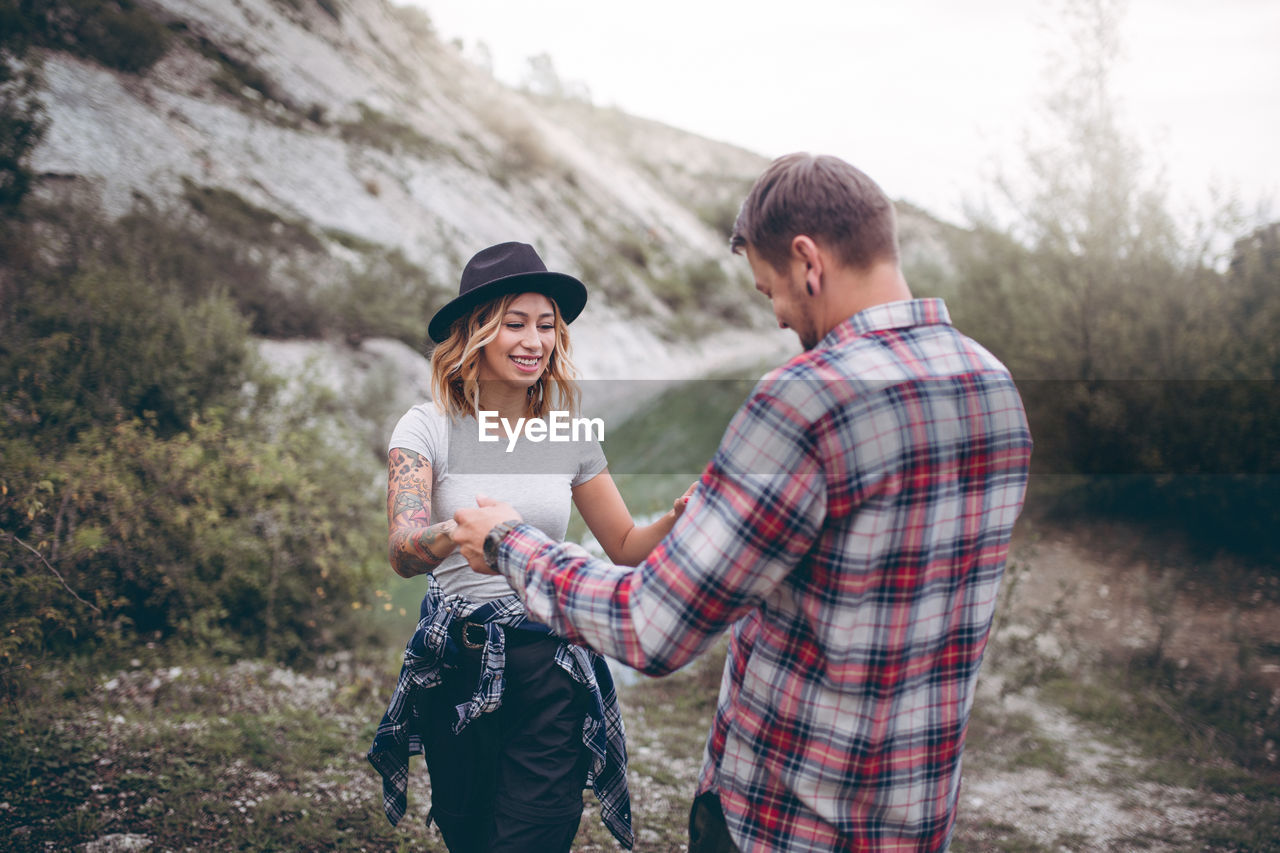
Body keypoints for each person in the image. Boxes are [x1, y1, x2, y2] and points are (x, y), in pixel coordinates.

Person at [452, 154, 1035, 852]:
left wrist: (508, 540)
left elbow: (650, 626)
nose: (782, 319)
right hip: (915, 818)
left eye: (770, 293)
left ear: (807, 262)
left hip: (783, 823)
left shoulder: (805, 396)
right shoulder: (992, 383)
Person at [367, 241, 692, 853]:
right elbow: (402, 550)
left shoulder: (569, 435)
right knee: (468, 834)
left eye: (547, 326)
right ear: (476, 332)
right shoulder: (425, 426)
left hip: (551, 665)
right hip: (455, 664)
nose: (534, 341)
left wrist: (678, 518)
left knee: (536, 837)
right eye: (514, 323)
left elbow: (624, 544)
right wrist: (455, 534)